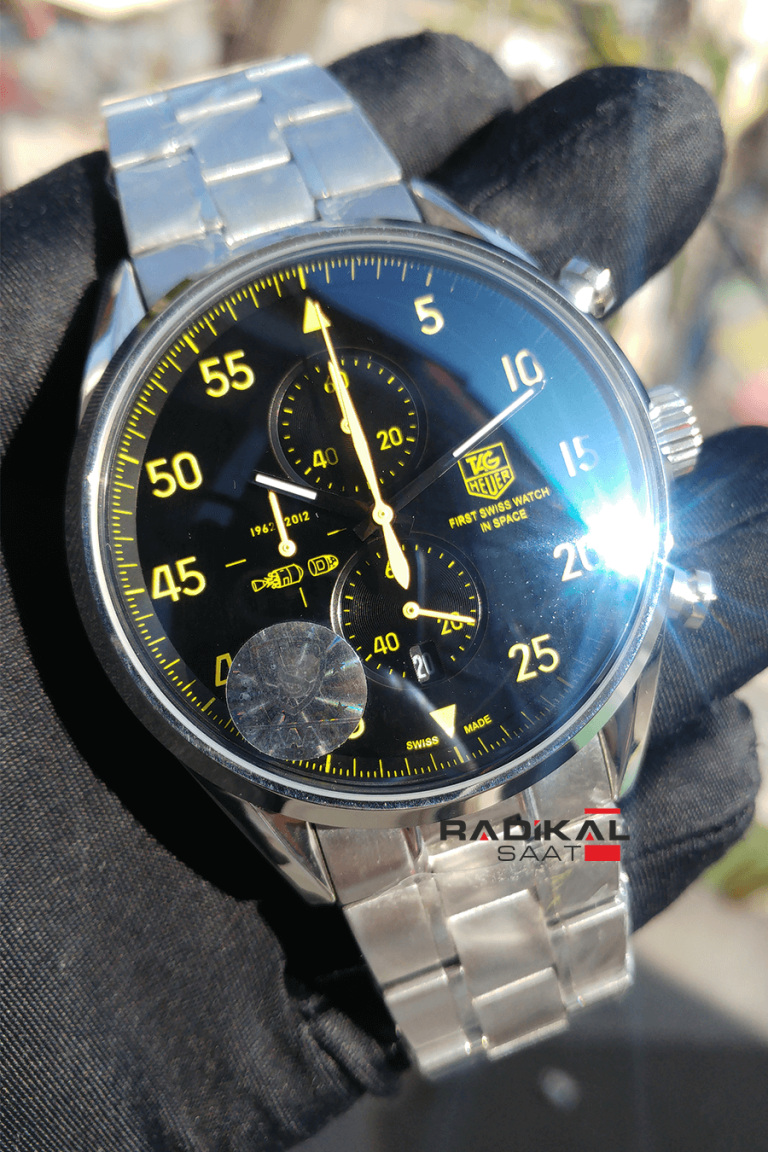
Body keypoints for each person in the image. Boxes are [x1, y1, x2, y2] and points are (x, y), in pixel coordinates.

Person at [1, 31, 766, 1152]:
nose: (379, 522)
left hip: (525, 696)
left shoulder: (509, 388)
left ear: (655, 435)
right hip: (316, 766)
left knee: (567, 853)